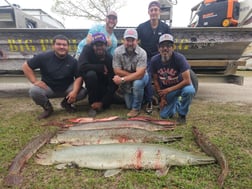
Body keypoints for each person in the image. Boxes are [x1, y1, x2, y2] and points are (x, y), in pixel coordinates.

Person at [22, 34, 87, 119]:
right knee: (34, 91)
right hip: (48, 87)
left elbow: (79, 77)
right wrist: (35, 81)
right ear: (53, 46)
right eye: (59, 44)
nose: (62, 47)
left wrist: (74, 91)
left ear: (68, 47)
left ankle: (66, 104)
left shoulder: (73, 61)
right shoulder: (43, 57)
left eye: (64, 45)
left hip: (66, 88)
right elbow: (26, 66)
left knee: (82, 91)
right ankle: (48, 109)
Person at [151, 33, 195, 124]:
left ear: (173, 47)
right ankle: (177, 103)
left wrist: (169, 89)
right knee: (164, 115)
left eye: (168, 46)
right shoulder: (154, 60)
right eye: (162, 46)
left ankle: (182, 115)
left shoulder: (180, 58)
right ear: (158, 48)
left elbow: (187, 81)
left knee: (189, 91)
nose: (165, 48)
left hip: (180, 86)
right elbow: (155, 80)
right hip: (168, 92)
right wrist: (162, 98)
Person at [137, 1, 171, 114]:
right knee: (146, 75)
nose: (153, 12)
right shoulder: (141, 27)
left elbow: (169, 44)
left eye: (156, 10)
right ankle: (149, 101)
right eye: (151, 10)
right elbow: (135, 43)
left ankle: (164, 99)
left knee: (162, 75)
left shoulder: (165, 27)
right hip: (145, 57)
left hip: (159, 57)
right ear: (148, 12)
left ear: (159, 12)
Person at [78, 32, 118, 117]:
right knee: (91, 74)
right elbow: (80, 67)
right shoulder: (87, 50)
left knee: (116, 99)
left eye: (102, 45)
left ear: (106, 46)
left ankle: (101, 102)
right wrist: (100, 67)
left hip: (104, 85)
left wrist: (103, 102)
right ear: (92, 46)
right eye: (96, 45)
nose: (99, 47)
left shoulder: (109, 58)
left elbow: (113, 82)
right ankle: (92, 104)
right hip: (91, 83)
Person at [112, 28, 149, 118]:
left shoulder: (142, 53)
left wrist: (122, 79)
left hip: (140, 78)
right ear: (123, 40)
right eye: (128, 40)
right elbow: (116, 70)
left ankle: (136, 109)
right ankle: (144, 98)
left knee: (137, 83)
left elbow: (140, 74)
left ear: (137, 41)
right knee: (129, 105)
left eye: (133, 40)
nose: (130, 43)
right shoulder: (117, 51)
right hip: (128, 81)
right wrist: (133, 76)